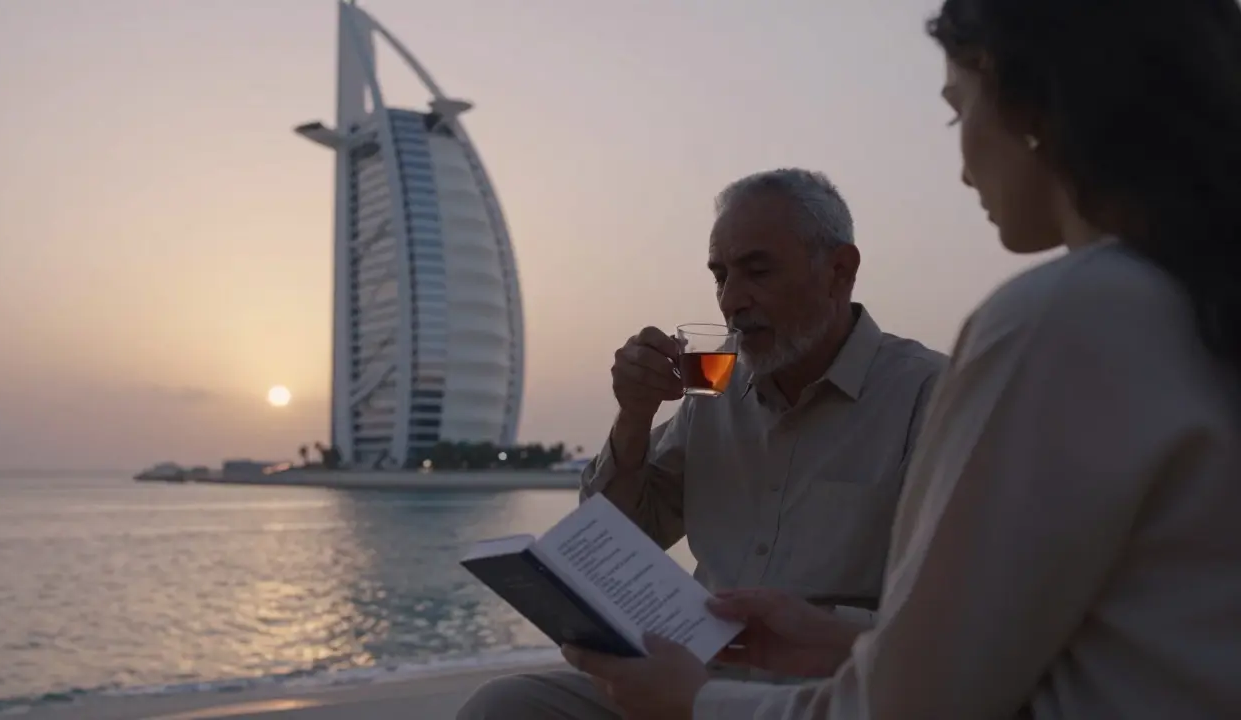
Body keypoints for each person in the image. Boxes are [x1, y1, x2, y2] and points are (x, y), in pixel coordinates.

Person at [559, 0, 1241, 718]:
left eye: (956, 111)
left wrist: (693, 704)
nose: (960, 165)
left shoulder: (1053, 324)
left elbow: (914, 705)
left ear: (1034, 106)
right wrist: (634, 421)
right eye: (719, 275)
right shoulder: (1192, 303)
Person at [456, 168, 948, 719]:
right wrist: (634, 417)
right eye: (719, 276)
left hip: (832, 691)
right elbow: (621, 539)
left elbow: (965, 624)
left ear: (839, 271)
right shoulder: (713, 393)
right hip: (691, 671)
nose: (731, 300)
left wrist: (824, 632)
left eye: (757, 271)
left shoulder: (934, 398)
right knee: (504, 706)